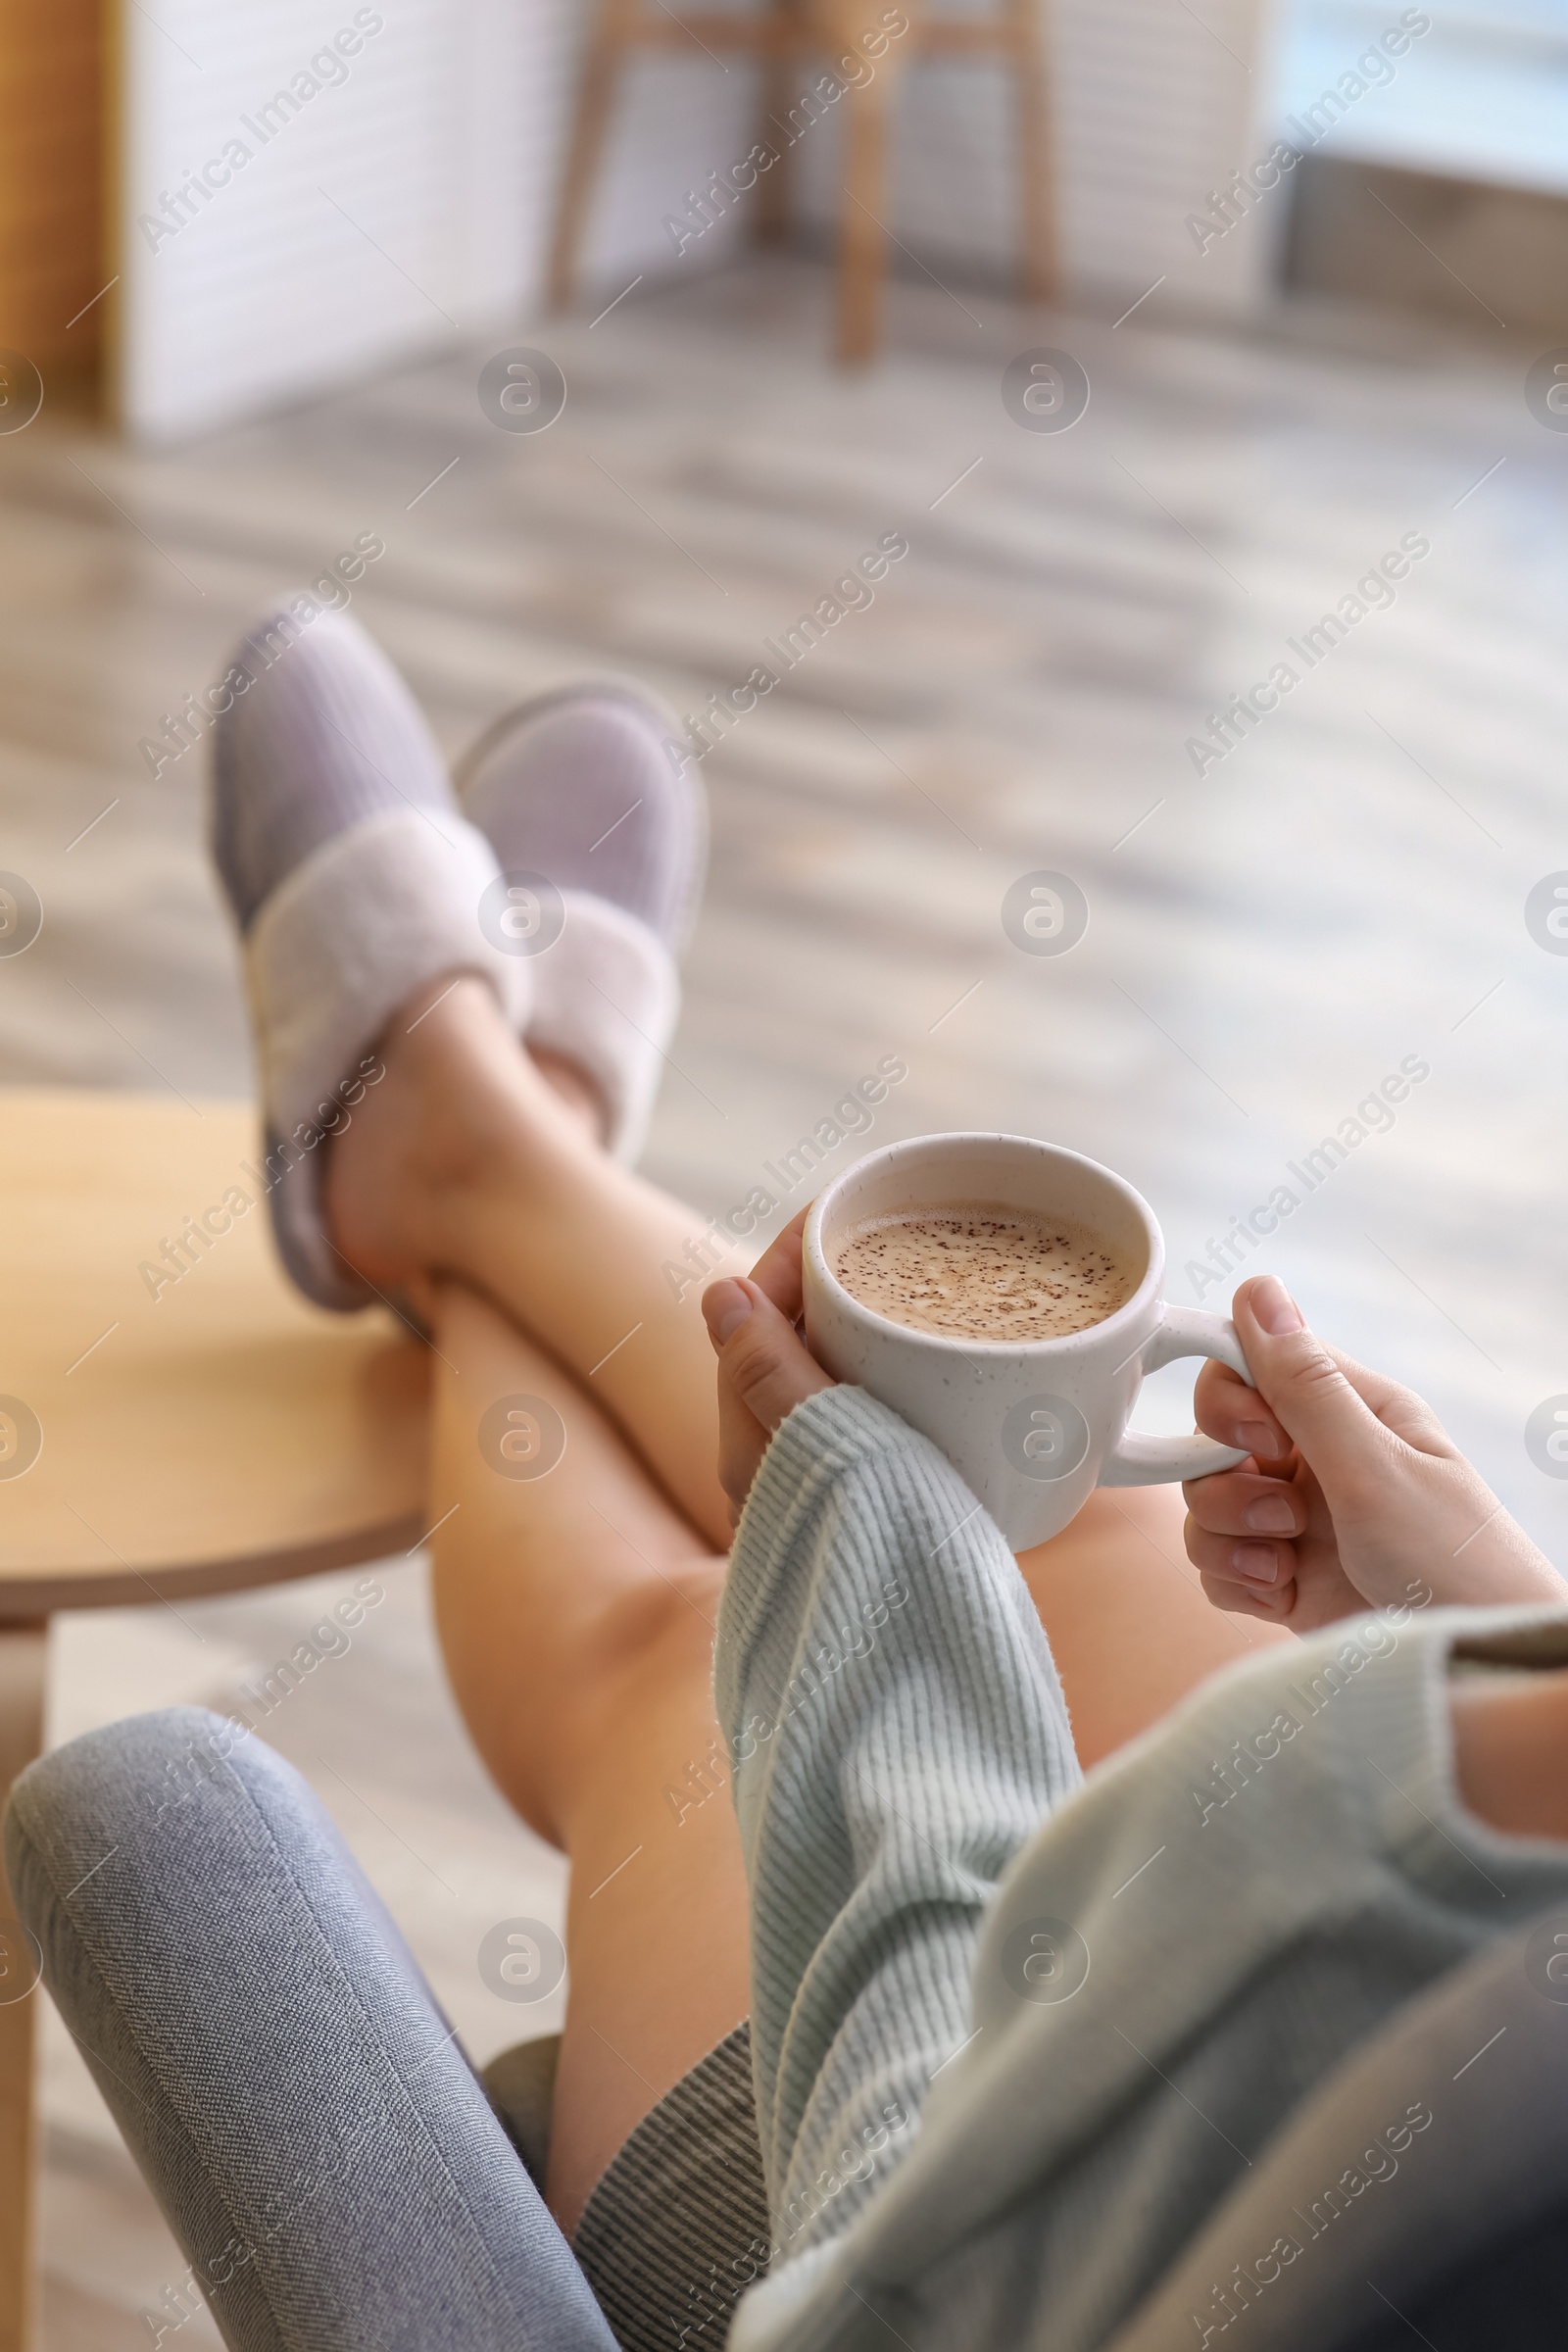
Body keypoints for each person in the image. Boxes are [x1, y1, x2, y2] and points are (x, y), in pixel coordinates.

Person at [8, 607, 1568, 2352]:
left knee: (688, 1652)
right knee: (1083, 1522)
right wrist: (1491, 1619)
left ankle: (453, 1120)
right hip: (1218, 2005)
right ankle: (477, 1139)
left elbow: (923, 2235)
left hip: (918, 2232)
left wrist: (852, 1533)